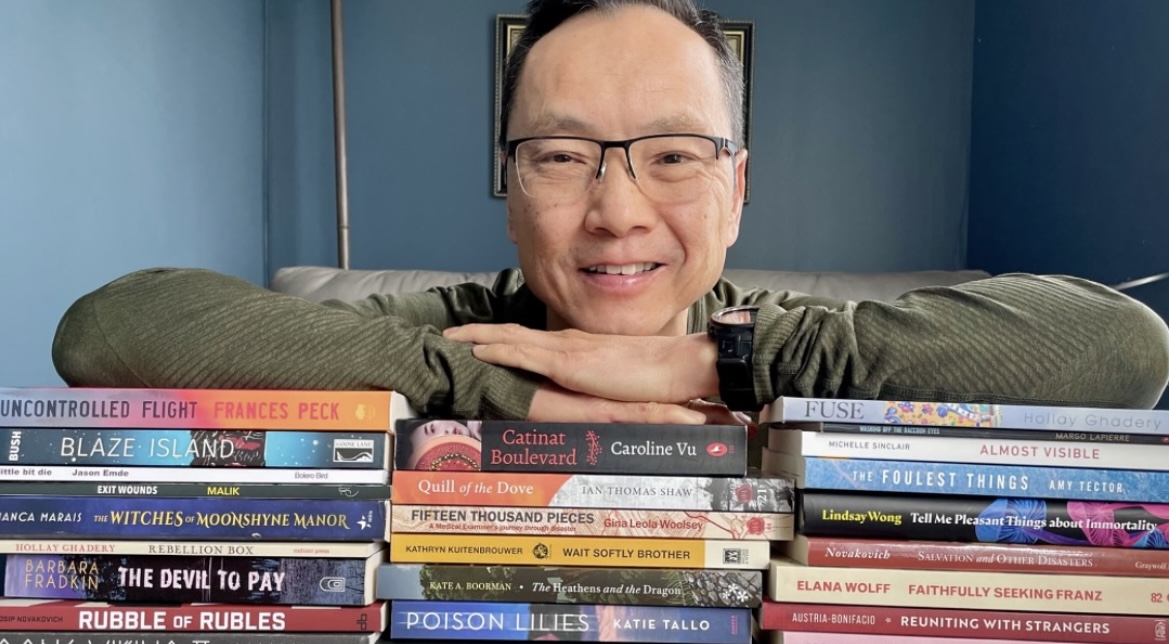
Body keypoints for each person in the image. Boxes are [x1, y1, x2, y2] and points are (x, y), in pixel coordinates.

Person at [52, 0, 1169, 423]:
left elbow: (1119, 344)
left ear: (737, 187)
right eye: (560, 155)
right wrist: (511, 387)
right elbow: (113, 330)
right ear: (508, 192)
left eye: (673, 156)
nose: (614, 210)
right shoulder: (444, 324)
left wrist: (707, 369)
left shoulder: (798, 339)